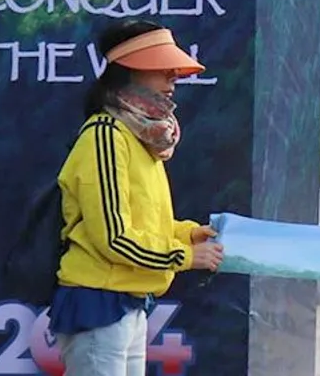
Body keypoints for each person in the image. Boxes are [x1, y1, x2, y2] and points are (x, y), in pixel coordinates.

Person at [51, 22, 223, 375]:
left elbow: (144, 223)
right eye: (163, 69)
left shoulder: (141, 140)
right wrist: (186, 255)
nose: (174, 77)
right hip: (99, 303)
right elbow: (114, 238)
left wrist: (188, 234)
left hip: (128, 303)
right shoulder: (105, 136)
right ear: (132, 71)